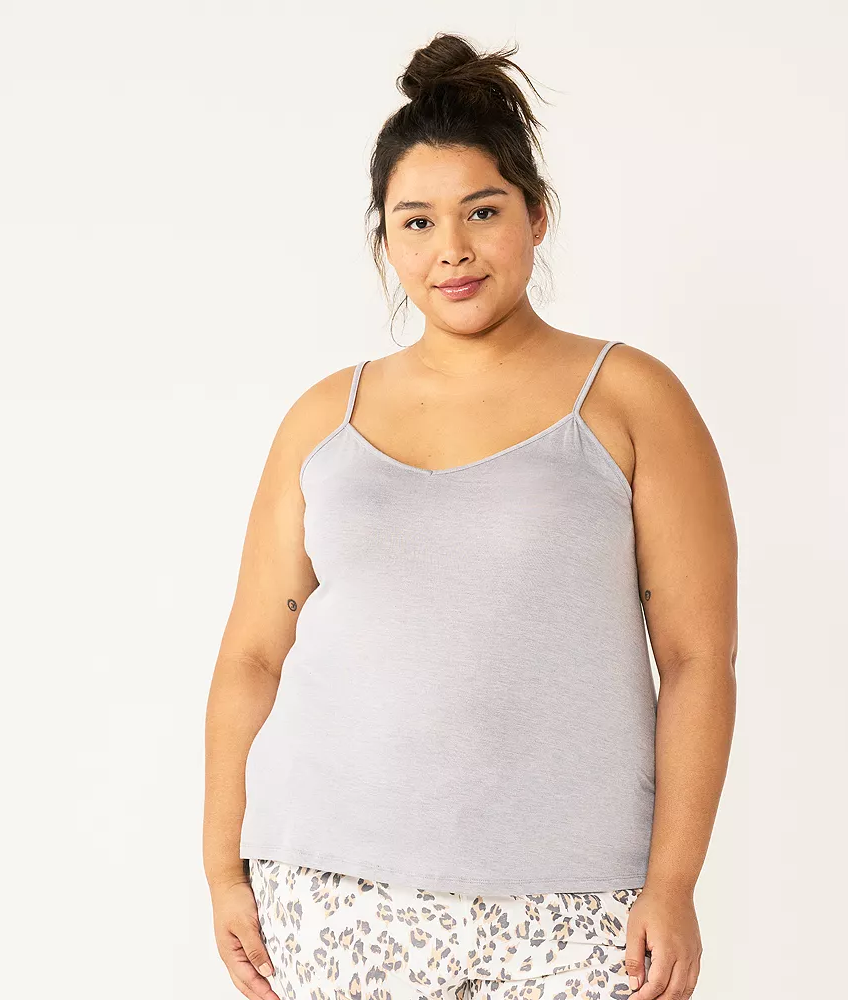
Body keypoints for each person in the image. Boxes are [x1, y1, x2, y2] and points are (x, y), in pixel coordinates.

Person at [203, 32, 737, 1000]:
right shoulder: (324, 419)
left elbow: (697, 657)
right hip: (330, 885)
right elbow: (251, 657)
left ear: (536, 215)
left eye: (482, 211)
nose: (450, 248)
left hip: (574, 903)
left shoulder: (630, 399)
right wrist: (221, 868)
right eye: (415, 222)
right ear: (385, 240)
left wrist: (672, 884)